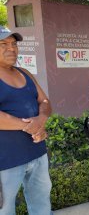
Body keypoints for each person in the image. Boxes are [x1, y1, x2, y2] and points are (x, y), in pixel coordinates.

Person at [0, 26, 52, 215]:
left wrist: (42, 118)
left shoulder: (25, 73)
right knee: (5, 208)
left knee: (41, 203)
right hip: (6, 160)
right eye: (3, 44)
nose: (11, 48)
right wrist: (30, 126)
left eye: (14, 44)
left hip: (36, 153)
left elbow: (45, 101)